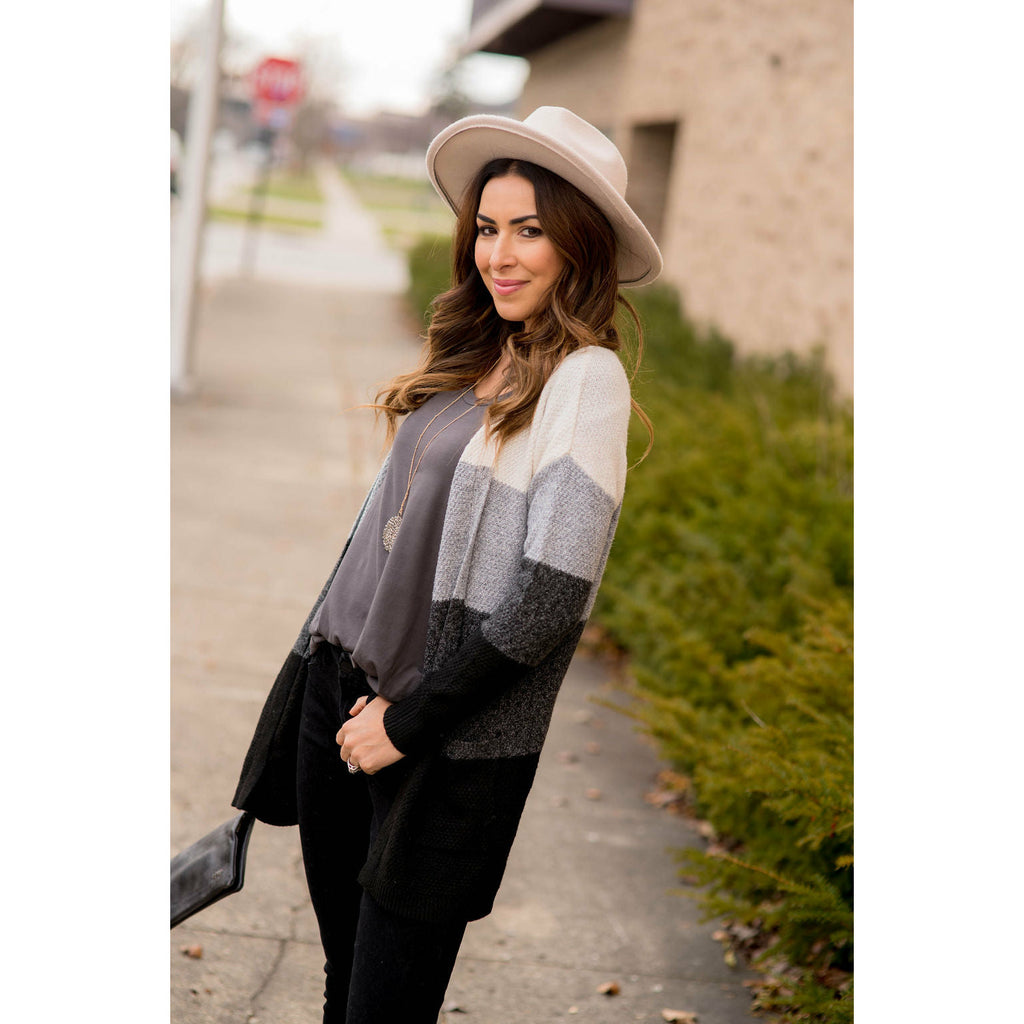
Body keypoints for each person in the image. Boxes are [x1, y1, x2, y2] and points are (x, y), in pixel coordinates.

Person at [231, 106, 663, 1023]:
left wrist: (408, 722)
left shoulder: (586, 382)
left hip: (434, 737)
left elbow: (552, 595)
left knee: (386, 1002)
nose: (499, 255)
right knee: (342, 979)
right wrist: (315, 672)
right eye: (488, 228)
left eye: (530, 231)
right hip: (336, 691)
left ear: (579, 243)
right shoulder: (478, 355)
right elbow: (378, 538)